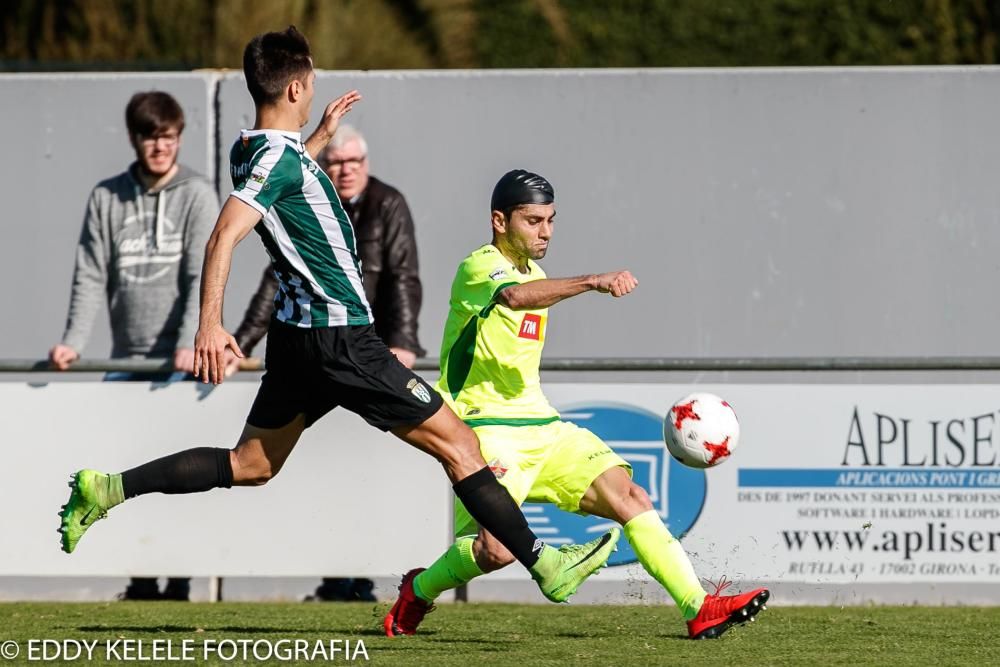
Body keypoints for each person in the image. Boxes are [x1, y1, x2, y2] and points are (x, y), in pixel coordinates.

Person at [57, 26, 618, 607]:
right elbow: (224, 234)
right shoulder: (277, 158)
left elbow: (284, 177)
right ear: (297, 86)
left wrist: (319, 136)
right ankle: (547, 565)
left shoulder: (251, 150)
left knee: (249, 464)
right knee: (461, 445)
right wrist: (210, 323)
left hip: (299, 339)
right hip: (339, 337)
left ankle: (108, 488)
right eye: (312, 82)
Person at [383, 170, 770, 640]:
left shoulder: (540, 275)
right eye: (532, 221)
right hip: (484, 430)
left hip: (545, 426)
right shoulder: (479, 267)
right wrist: (592, 281)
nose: (545, 232)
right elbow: (513, 297)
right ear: (499, 221)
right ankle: (418, 591)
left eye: (551, 220)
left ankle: (698, 607)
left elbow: (529, 293)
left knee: (631, 497)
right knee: (495, 552)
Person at [229, 124, 426, 601]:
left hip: (365, 353)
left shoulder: (387, 203)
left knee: (371, 473)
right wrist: (242, 340)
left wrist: (403, 341)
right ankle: (337, 576)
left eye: (354, 162)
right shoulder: (302, 193)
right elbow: (275, 280)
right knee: (316, 470)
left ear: (368, 164)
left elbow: (403, 275)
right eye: (336, 162)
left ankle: (366, 578)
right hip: (317, 352)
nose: (345, 171)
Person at [49, 91, 218, 601]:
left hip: (179, 364)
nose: (160, 146)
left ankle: (180, 580)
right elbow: (89, 273)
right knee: (118, 473)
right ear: (134, 139)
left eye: (168, 136)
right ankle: (140, 578)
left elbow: (201, 276)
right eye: (150, 136)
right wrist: (73, 342)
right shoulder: (107, 197)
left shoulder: (197, 193)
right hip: (125, 358)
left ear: (180, 138)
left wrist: (193, 342)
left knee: (177, 470)